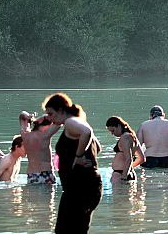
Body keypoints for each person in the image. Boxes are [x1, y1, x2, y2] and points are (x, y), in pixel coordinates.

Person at [44, 92, 102, 234]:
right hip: (84, 186)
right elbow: (98, 148)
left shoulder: (71, 122)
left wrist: (78, 156)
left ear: (61, 110)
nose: (49, 118)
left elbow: (87, 132)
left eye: (50, 114)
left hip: (80, 188)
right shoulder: (76, 121)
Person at [21, 112, 60, 184]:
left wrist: (29, 116)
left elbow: (22, 116)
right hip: (46, 173)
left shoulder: (25, 134)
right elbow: (59, 122)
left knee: (32, 195)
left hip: (32, 175)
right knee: (47, 195)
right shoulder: (45, 135)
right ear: (48, 125)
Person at [105, 116, 145, 182]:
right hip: (128, 172)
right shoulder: (132, 137)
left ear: (119, 126)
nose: (113, 134)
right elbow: (142, 158)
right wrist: (130, 168)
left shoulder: (125, 137)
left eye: (113, 131)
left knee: (119, 192)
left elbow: (128, 158)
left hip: (120, 174)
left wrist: (124, 175)